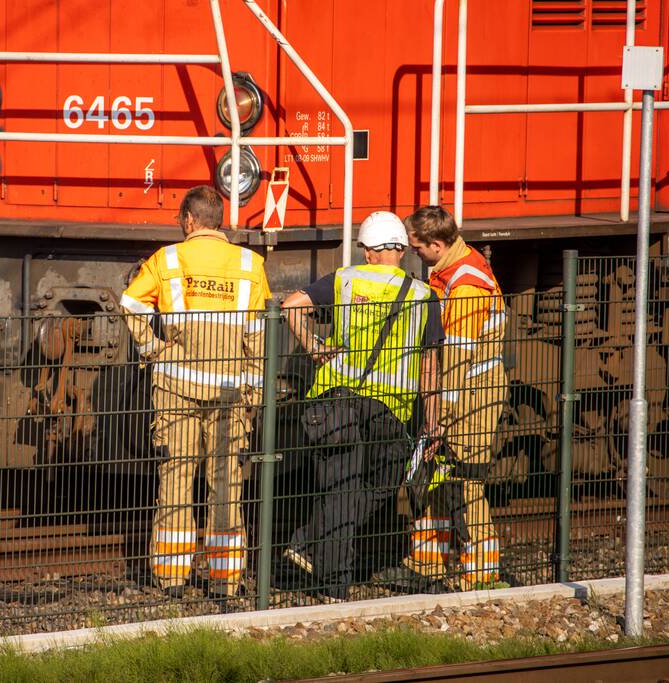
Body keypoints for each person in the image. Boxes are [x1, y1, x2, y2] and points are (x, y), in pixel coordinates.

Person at [280, 211, 442, 601]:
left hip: (334, 402)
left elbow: (291, 305)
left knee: (341, 491)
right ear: (402, 250)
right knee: (383, 483)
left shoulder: (345, 279)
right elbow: (429, 366)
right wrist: (434, 423)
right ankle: (329, 580)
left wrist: (314, 347)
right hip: (389, 411)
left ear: (369, 252)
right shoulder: (424, 295)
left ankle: (311, 549)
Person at [120, 185, 271, 599]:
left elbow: (130, 305)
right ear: (218, 220)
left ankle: (171, 579)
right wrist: (254, 391)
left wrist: (153, 349)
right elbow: (258, 333)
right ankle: (225, 581)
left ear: (189, 220)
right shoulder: (250, 264)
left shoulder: (167, 260)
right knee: (225, 484)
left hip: (176, 389)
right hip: (229, 394)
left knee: (177, 477)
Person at [402, 205, 509, 590]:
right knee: (440, 475)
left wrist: (440, 418)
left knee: (465, 480)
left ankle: (480, 574)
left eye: (417, 247)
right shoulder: (450, 269)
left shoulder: (464, 285)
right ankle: (428, 564)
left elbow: (457, 360)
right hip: (462, 390)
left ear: (436, 243)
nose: (413, 252)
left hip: (471, 395)